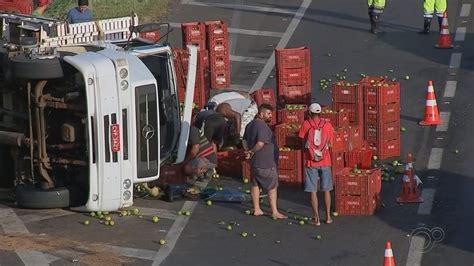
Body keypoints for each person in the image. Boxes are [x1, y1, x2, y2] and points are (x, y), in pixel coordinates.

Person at [243, 104, 286, 219]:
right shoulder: (261, 126)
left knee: (255, 184)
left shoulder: (250, 125)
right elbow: (261, 143)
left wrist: (247, 151)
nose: (270, 116)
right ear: (261, 114)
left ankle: (257, 209)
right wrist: (252, 151)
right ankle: (274, 211)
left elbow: (244, 140)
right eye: (268, 113)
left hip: (255, 163)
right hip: (266, 163)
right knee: (272, 187)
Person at [298, 103, 334, 226]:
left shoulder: (306, 124)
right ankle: (328, 217)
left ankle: (316, 218)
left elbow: (302, 142)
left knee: (313, 190)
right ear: (320, 113)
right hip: (326, 161)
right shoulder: (328, 125)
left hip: (310, 161)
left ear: (309, 113)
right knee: (327, 190)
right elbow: (331, 143)